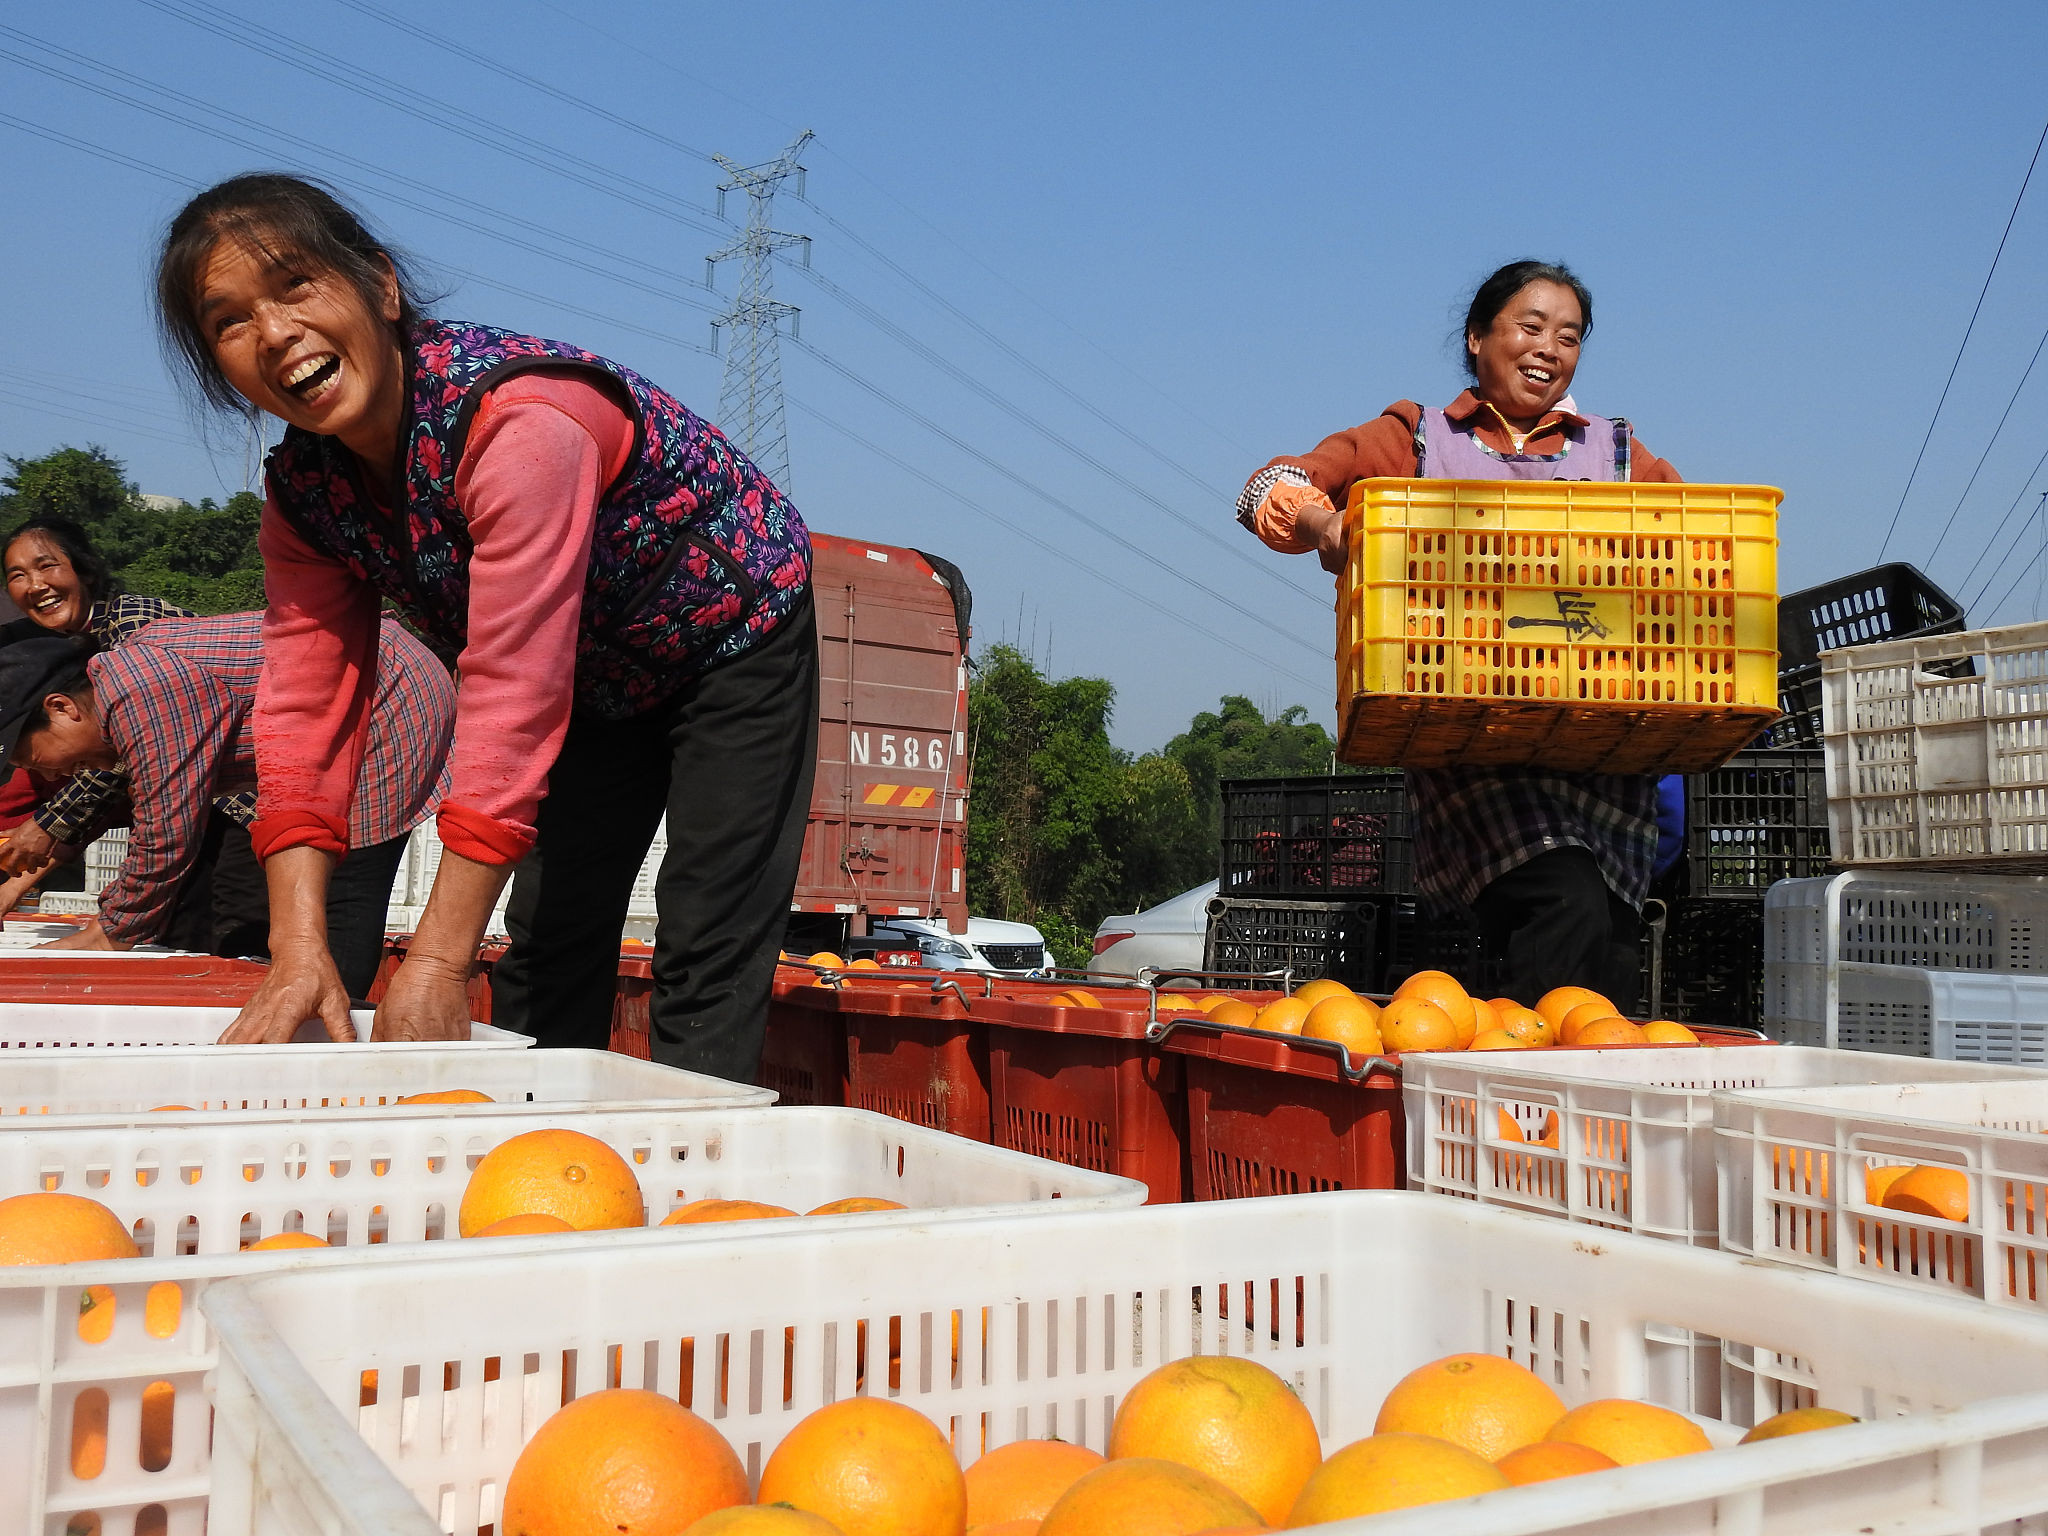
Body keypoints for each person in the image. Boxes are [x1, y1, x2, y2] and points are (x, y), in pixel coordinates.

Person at [153, 173, 817, 1071]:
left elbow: (511, 690)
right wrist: (299, 947)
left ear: (381, 287)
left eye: (297, 284)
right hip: (592, 677)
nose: (274, 333)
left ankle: (690, 1187)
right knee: (548, 945)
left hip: (731, 640)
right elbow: (306, 714)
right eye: (229, 320)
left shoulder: (519, 422)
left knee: (701, 952)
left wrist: (434, 957)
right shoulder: (305, 494)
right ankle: (533, 1169)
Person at [1237, 260, 1681, 1007]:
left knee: (1605, 941)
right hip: (1475, 747)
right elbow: (1266, 486)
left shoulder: (1615, 452)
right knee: (1562, 892)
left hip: (1598, 756)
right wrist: (1324, 521)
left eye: (1568, 337)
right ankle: (1532, 1092)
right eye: (1530, 327)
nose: (1549, 348)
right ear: (1478, 337)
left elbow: (1695, 547)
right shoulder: (1417, 437)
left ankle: (1578, 1096)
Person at [0, 614, 450, 998]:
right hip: (340, 708)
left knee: (345, 880)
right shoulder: (123, 690)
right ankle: (301, 1004)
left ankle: (324, 1031)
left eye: (35, 760)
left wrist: (114, 930)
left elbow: (167, 832)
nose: (52, 776)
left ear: (61, 708)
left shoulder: (141, 691)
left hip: (385, 692)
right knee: (304, 893)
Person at [0, 517, 265, 951]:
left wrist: (47, 825)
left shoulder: (133, 630)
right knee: (181, 934)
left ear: (83, 569)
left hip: (241, 802)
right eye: (17, 576)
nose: (35, 585)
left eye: (47, 566)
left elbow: (135, 752)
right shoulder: (77, 648)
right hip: (196, 805)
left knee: (236, 937)